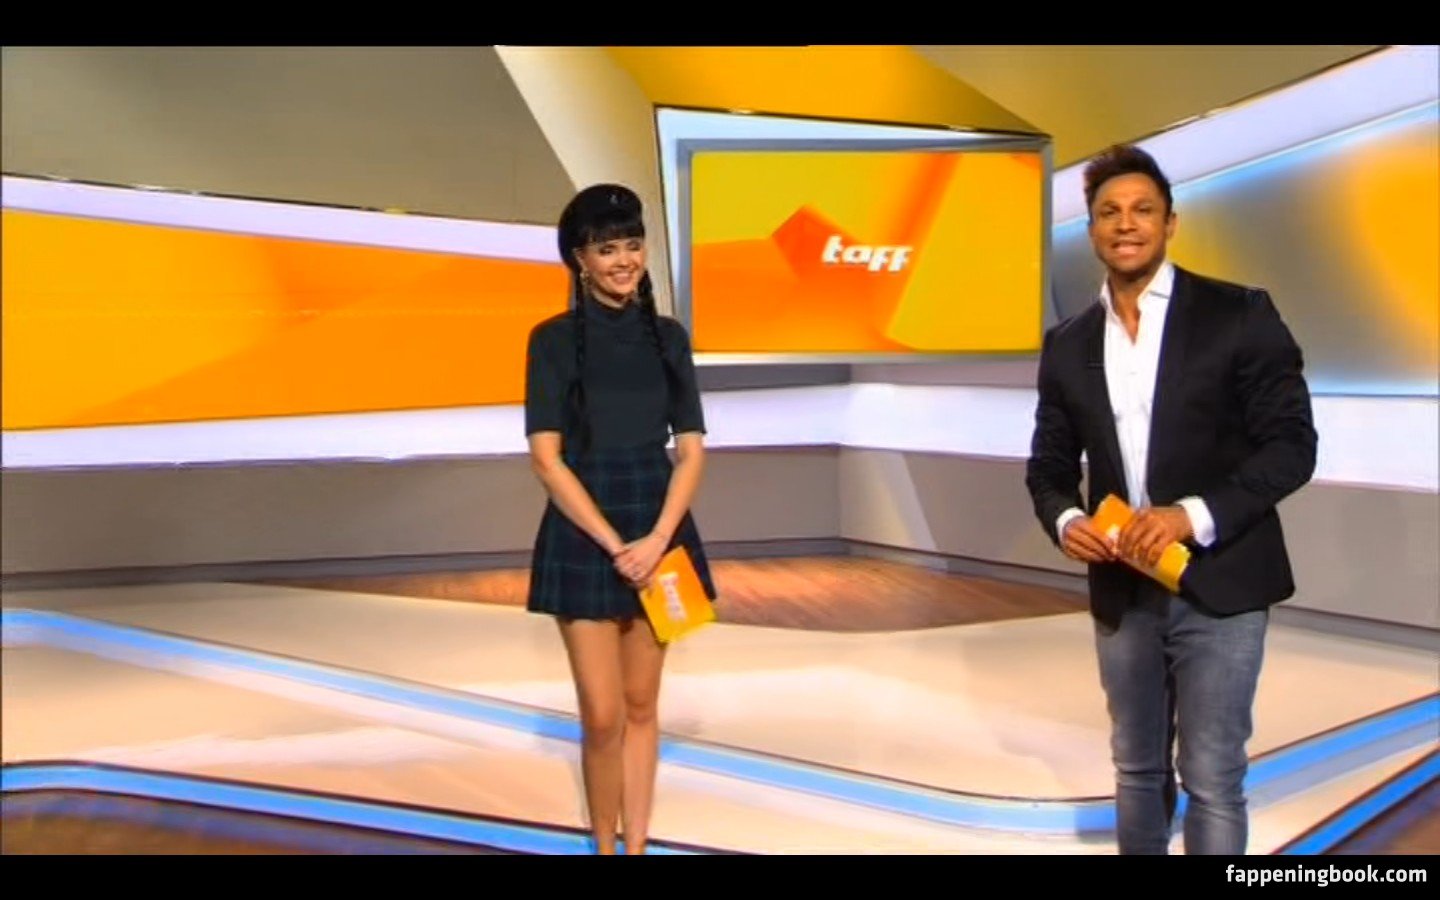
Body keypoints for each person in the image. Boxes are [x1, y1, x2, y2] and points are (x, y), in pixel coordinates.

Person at [1025, 144, 1317, 854]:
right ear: (1092, 230)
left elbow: (1291, 446)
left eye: (1142, 210)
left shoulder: (1238, 314)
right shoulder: (1068, 344)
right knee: (1136, 770)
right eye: (1109, 212)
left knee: (1212, 776)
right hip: (1123, 589)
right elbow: (1049, 466)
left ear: (1170, 223)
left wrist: (1191, 515)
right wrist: (1067, 519)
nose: (1126, 224)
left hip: (1223, 582)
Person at [523, 183, 716, 855]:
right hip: (585, 531)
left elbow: (692, 450)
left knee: (641, 706)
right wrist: (616, 546)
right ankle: (603, 847)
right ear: (580, 259)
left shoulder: (669, 338)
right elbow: (546, 459)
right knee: (602, 715)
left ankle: (635, 848)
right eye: (607, 249)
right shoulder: (550, 341)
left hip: (658, 523)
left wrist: (657, 540)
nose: (624, 260)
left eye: (633, 245)